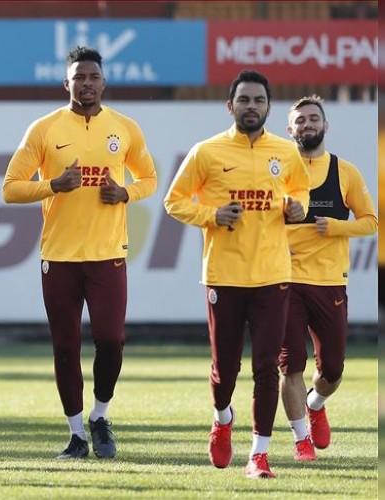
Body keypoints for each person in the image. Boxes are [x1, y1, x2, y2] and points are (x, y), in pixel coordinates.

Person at [2, 46, 157, 460]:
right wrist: (53, 185)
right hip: (59, 256)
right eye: (78, 78)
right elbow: (10, 188)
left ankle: (100, 416)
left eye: (93, 77)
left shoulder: (125, 128)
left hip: (108, 253)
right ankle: (75, 435)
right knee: (65, 346)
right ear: (65, 83)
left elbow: (149, 178)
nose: (86, 84)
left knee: (112, 340)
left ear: (104, 82)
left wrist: (125, 193)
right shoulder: (44, 128)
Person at [163, 69, 310, 479]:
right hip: (224, 276)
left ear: (269, 107)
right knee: (224, 369)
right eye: (244, 100)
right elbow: (174, 201)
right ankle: (222, 418)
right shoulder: (206, 151)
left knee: (266, 367)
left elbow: (300, 190)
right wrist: (212, 214)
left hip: (272, 275)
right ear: (230, 106)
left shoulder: (286, 152)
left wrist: (297, 206)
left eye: (259, 100)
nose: (251, 106)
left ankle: (259, 455)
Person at [278, 95, 377, 461]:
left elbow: (370, 222)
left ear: (325, 125)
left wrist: (335, 227)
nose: (307, 124)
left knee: (332, 369)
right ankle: (301, 440)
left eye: (313, 118)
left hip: (329, 281)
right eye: (300, 120)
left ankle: (315, 404)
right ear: (290, 129)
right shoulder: (277, 170)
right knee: (290, 365)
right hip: (283, 280)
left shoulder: (344, 171)